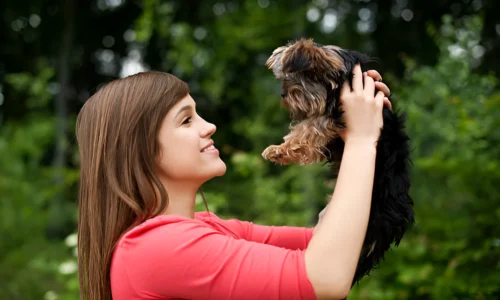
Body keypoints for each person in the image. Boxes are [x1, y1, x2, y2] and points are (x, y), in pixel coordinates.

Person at [76, 64, 391, 300]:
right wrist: (362, 141)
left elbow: (335, 241)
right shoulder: (154, 248)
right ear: (140, 149)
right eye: (186, 120)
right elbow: (325, 276)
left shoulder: (207, 229)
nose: (209, 126)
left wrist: (348, 129)